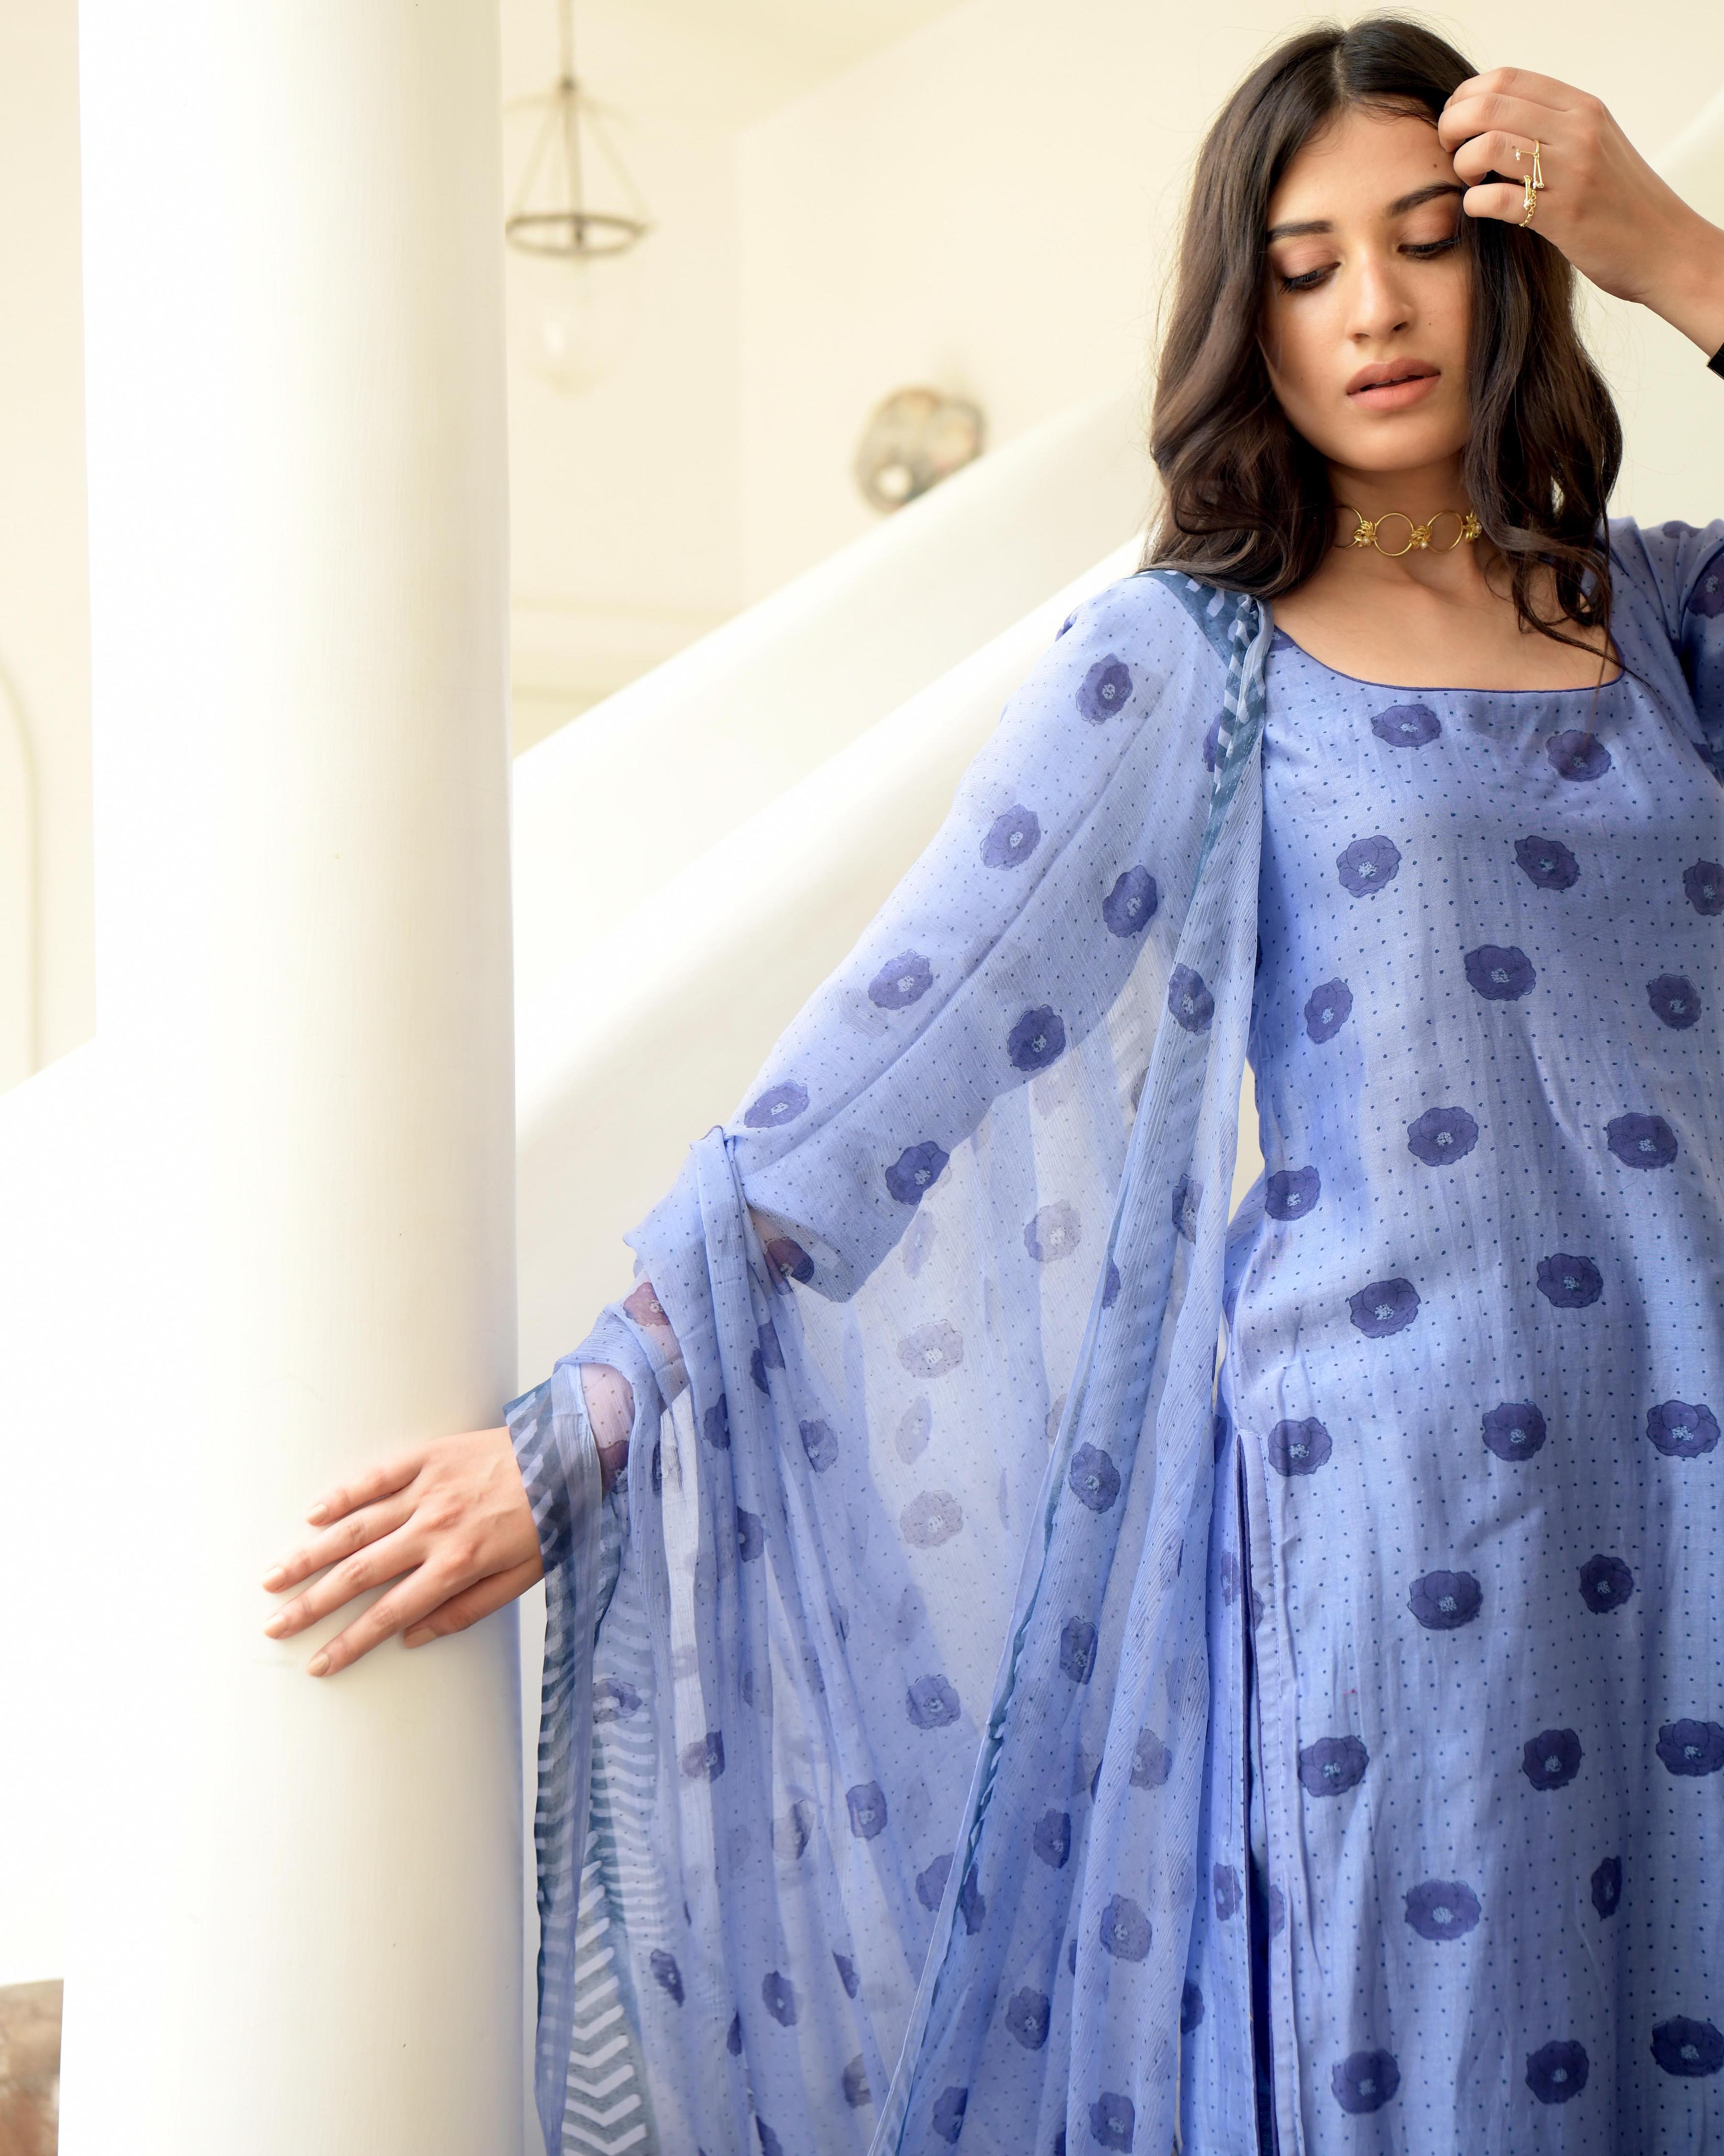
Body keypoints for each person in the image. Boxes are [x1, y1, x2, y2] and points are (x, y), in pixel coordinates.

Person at [262, 19, 1724, 2154]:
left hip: (1693, 1479)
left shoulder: (1656, 616)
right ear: (1245, 315)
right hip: (1413, 1518)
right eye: (1306, 266)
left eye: (1427, 241)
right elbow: (903, 1050)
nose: (1375, 308)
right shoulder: (1195, 658)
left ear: (1512, 264)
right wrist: (590, 1416)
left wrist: (1668, 243)